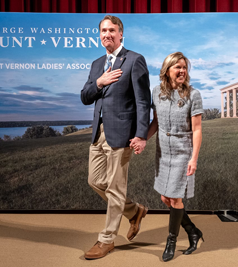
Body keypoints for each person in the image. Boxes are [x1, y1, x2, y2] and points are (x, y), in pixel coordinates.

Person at [80, 15, 151, 260]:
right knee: (94, 180)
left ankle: (106, 239)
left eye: (111, 30)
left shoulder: (134, 60)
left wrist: (141, 134)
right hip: (98, 134)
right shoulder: (97, 63)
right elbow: (85, 96)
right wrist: (99, 82)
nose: (106, 34)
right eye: (103, 30)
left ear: (121, 34)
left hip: (122, 134)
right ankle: (135, 211)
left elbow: (143, 101)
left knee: (116, 187)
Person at [131, 52, 204, 262]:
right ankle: (193, 231)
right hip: (163, 152)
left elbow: (197, 130)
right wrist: (143, 138)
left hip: (183, 151)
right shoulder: (157, 92)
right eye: (177, 67)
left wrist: (194, 159)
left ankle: (171, 241)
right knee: (166, 198)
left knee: (175, 197)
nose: (182, 71)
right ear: (167, 70)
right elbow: (156, 122)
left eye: (184, 67)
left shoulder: (193, 94)